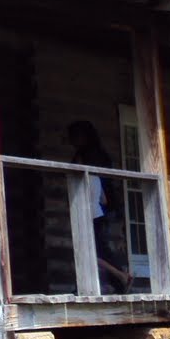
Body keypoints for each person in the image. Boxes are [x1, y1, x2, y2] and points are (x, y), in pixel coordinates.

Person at [67, 120, 131, 294]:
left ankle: (119, 278)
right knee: (100, 250)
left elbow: (97, 192)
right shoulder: (96, 161)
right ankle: (116, 281)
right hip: (98, 212)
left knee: (92, 251)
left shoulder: (89, 161)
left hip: (90, 214)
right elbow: (103, 198)